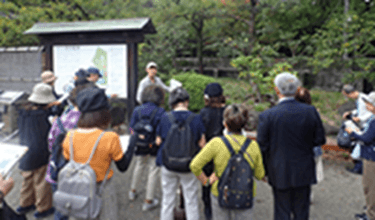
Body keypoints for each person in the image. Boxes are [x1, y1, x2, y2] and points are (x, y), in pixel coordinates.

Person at [257, 72, 326, 220]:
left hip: (278, 168)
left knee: (281, 211)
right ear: (297, 90)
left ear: (277, 90)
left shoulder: (268, 115)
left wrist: (262, 169)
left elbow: (262, 146)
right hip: (304, 168)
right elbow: (319, 139)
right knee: (302, 212)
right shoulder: (310, 111)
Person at [61, 87, 135, 219]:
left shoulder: (69, 135)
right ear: (105, 114)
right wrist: (131, 145)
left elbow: (67, 159)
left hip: (77, 188)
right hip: (102, 188)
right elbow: (122, 166)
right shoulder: (110, 137)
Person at [190, 104, 265, 220]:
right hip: (246, 193)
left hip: (220, 191)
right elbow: (259, 175)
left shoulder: (216, 143)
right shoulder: (253, 146)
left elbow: (194, 165)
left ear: (224, 124)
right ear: (245, 125)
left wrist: (206, 181)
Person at [155, 87, 206, 220]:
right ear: (187, 101)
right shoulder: (196, 118)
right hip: (189, 165)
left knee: (167, 200)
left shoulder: (165, 117)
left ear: (172, 103)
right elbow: (202, 144)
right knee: (191, 200)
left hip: (168, 164)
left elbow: (158, 141)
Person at [45, 84, 89, 220]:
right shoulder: (88, 123)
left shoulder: (59, 120)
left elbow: (51, 145)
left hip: (57, 169)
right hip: (78, 172)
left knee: (60, 209)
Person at [16, 83, 56, 218]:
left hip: (24, 150)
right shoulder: (44, 116)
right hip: (40, 152)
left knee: (27, 180)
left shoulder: (22, 112)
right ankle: (43, 208)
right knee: (41, 182)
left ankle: (25, 204)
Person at [128, 85, 166, 211]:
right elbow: (162, 131)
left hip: (140, 143)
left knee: (139, 165)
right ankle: (148, 200)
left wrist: (137, 137)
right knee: (153, 170)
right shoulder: (161, 112)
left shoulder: (137, 110)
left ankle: (132, 191)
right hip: (154, 144)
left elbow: (131, 128)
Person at [345, 92, 375, 220]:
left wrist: (353, 132)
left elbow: (367, 138)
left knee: (370, 186)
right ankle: (370, 209)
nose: (367, 106)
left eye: (369, 104)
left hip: (372, 157)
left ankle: (371, 214)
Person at [199, 83, 226, 220]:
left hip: (209, 154)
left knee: (207, 186)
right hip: (225, 153)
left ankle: (209, 213)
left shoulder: (203, 113)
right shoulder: (227, 111)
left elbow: (201, 138)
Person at [295, 87, 324, 203]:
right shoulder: (313, 112)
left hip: (296, 147)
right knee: (309, 173)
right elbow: (320, 135)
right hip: (312, 148)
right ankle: (308, 196)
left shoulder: (291, 112)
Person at [342, 84, 372, 174]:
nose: (349, 98)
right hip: (362, 125)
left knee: (361, 144)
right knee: (359, 144)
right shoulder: (358, 99)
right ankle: (359, 167)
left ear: (351, 93)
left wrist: (360, 118)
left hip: (367, 125)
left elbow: (371, 111)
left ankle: (359, 168)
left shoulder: (364, 98)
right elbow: (360, 110)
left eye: (348, 96)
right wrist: (351, 112)